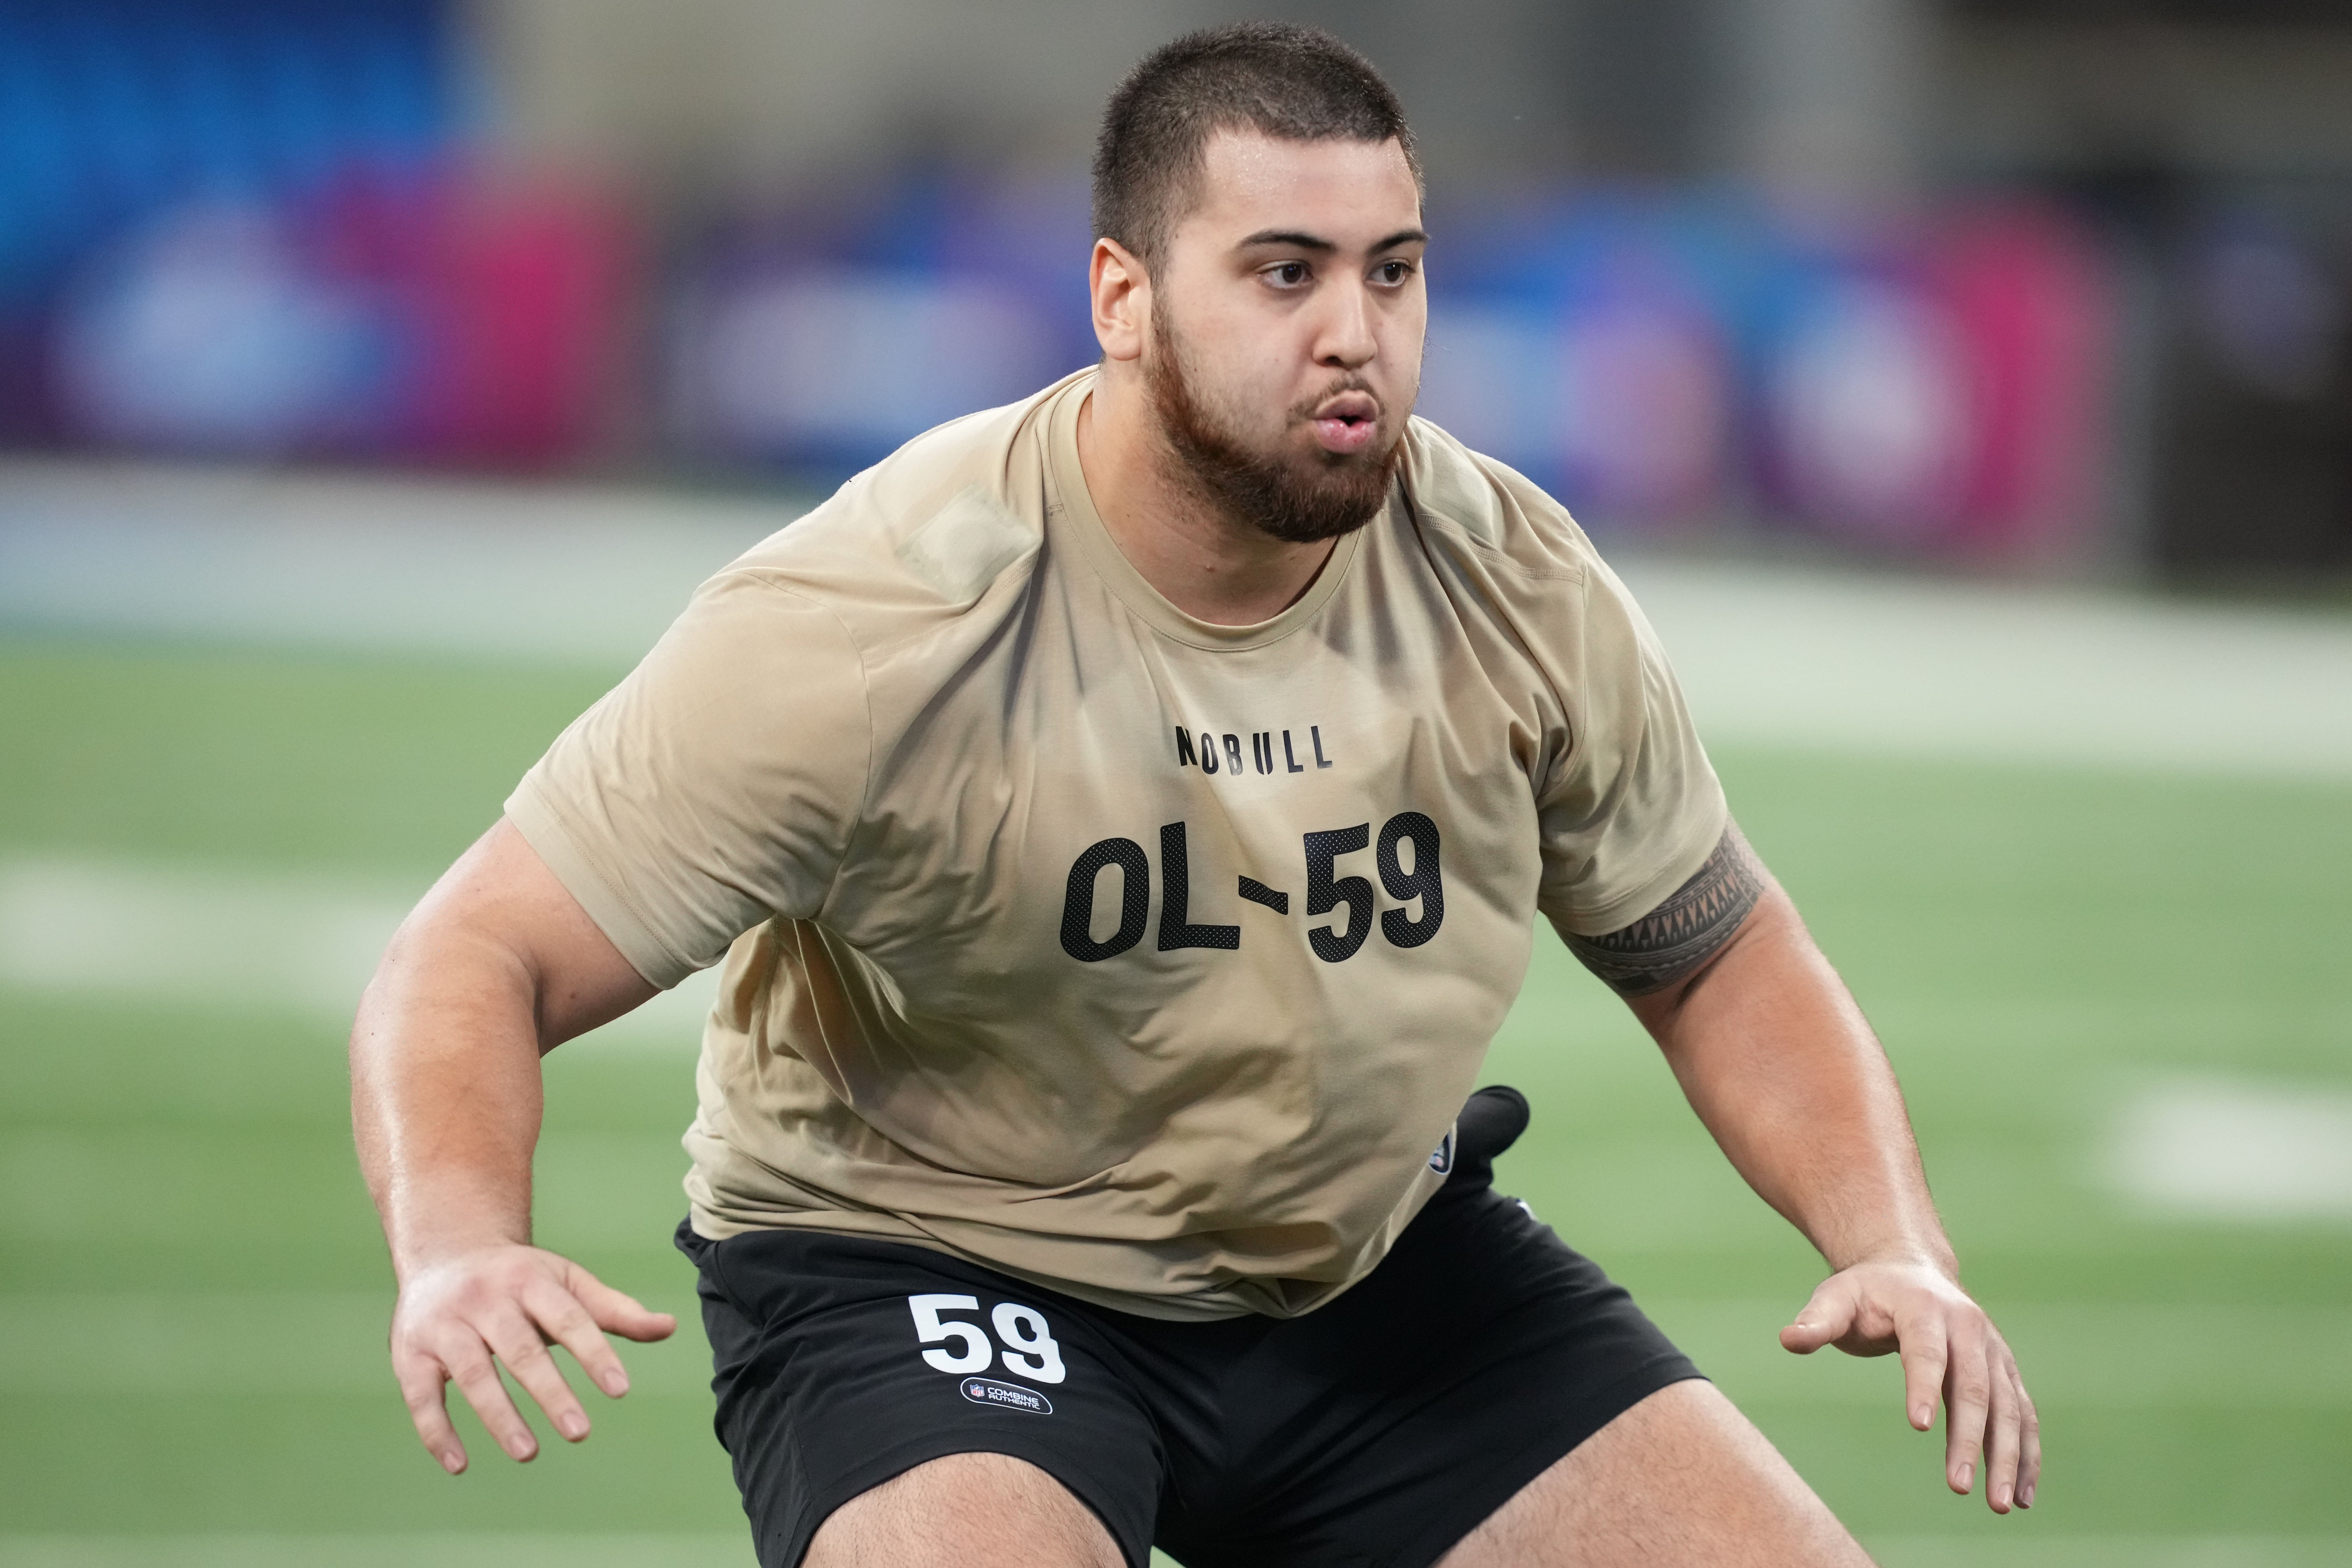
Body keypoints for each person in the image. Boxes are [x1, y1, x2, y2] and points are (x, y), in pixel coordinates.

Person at [350, 21, 2038, 1568]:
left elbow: (1707, 943)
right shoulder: (881, 615)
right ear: (1123, 295)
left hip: (1368, 1267)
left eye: (1393, 271)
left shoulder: (1512, 572)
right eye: (1283, 272)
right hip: (942, 1266)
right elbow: (472, 954)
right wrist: (458, 1246)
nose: (1352, 333)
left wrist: (1891, 1238)